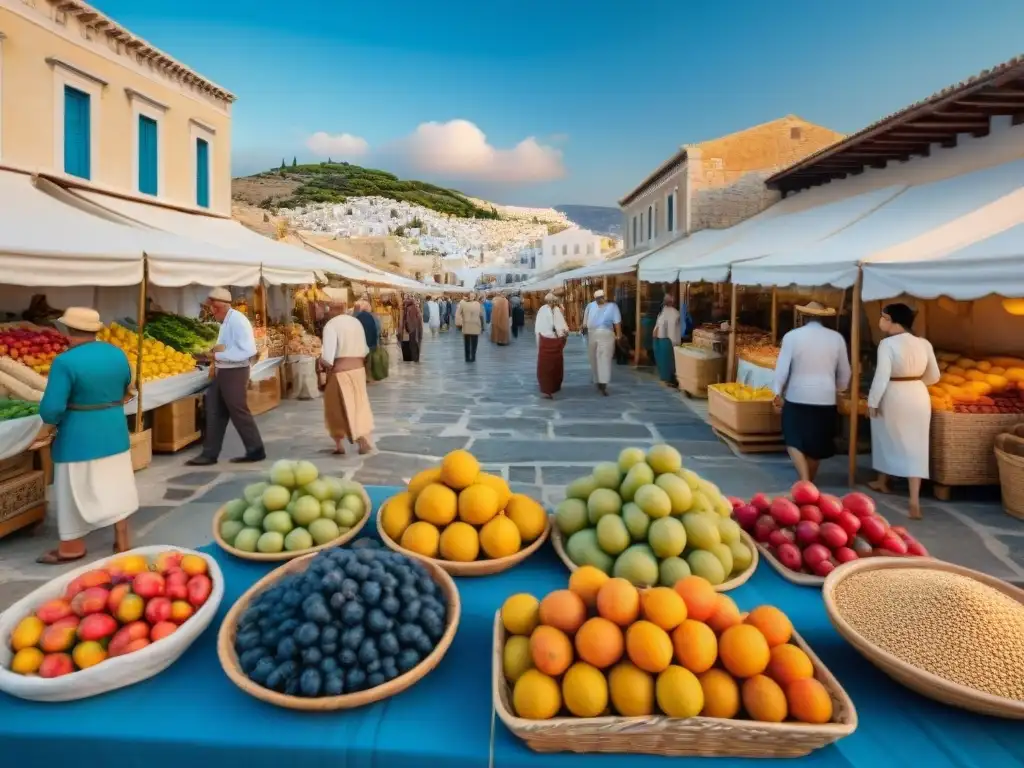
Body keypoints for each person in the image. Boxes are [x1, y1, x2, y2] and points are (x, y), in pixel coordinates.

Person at [36, 308, 139, 564]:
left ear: (68, 331)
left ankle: (72, 547)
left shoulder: (65, 362)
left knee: (73, 491)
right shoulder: (117, 354)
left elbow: (51, 409)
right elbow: (127, 384)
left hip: (78, 437)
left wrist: (47, 427)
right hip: (114, 430)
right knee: (118, 485)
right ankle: (122, 538)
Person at [867, 303, 941, 520]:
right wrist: (917, 382)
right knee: (916, 445)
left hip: (894, 393)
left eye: (883, 317)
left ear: (891, 319)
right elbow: (934, 376)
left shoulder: (887, 344)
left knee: (884, 436)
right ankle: (913, 499)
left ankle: (883, 481)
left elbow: (881, 376)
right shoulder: (924, 343)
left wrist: (872, 401)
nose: (881, 321)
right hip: (918, 394)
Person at [772, 302, 851, 484]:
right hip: (826, 397)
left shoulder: (792, 336)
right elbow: (845, 371)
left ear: (803, 317)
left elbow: (782, 368)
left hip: (797, 394)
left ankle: (805, 480)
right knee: (817, 443)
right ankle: (809, 482)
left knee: (793, 438)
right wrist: (839, 389)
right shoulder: (836, 338)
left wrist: (777, 391)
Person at [188, 288, 265, 466]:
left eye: (215, 308)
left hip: (235, 371)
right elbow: (224, 346)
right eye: (212, 308)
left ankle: (256, 450)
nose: (213, 311)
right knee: (214, 410)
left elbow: (247, 351)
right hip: (224, 370)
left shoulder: (238, 321)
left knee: (238, 411)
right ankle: (209, 454)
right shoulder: (225, 322)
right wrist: (210, 352)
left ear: (223, 306)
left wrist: (215, 356)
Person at [319, 294, 375, 455]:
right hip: (358, 369)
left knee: (335, 408)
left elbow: (328, 358)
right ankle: (362, 437)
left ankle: (342, 443)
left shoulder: (331, 325)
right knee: (359, 404)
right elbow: (364, 349)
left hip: (340, 372)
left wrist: (320, 362)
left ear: (331, 310)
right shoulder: (356, 322)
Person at [583, 289, 622, 395]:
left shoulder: (590, 306)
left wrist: (584, 331)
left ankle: (600, 381)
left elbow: (585, 324)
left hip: (597, 334)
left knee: (595, 358)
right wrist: (618, 335)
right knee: (602, 357)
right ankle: (602, 382)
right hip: (603, 334)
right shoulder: (612, 306)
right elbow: (617, 322)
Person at [535, 292, 569, 399]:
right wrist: (564, 334)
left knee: (544, 366)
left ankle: (546, 387)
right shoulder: (556, 310)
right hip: (553, 341)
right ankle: (553, 386)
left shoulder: (541, 309)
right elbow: (561, 328)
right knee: (555, 365)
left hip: (543, 341)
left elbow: (537, 327)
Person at [653, 294, 682, 387]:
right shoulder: (676, 313)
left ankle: (667, 379)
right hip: (670, 340)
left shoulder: (662, 312)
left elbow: (656, 328)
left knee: (664, 361)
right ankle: (670, 379)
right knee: (670, 362)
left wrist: (655, 338)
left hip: (662, 339)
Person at [353, 298, 382, 383]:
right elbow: (378, 329)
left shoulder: (358, 316)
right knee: (370, 361)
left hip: (362, 343)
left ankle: (365, 377)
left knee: (364, 361)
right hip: (373, 342)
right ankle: (370, 377)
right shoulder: (374, 317)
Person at [456, 291, 483, 362]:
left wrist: (459, 323)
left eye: (473, 296)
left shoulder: (463, 303)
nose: (472, 297)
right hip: (473, 325)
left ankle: (469, 357)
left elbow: (458, 314)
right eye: (471, 296)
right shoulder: (477, 304)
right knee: (472, 343)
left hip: (469, 325)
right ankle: (472, 357)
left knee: (468, 343)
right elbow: (481, 314)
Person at [398, 295, 422, 362]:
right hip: (414, 331)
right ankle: (414, 359)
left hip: (409, 331)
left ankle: (410, 359)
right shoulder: (416, 309)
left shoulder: (407, 310)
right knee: (413, 345)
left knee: (409, 345)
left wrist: (401, 332)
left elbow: (403, 322)